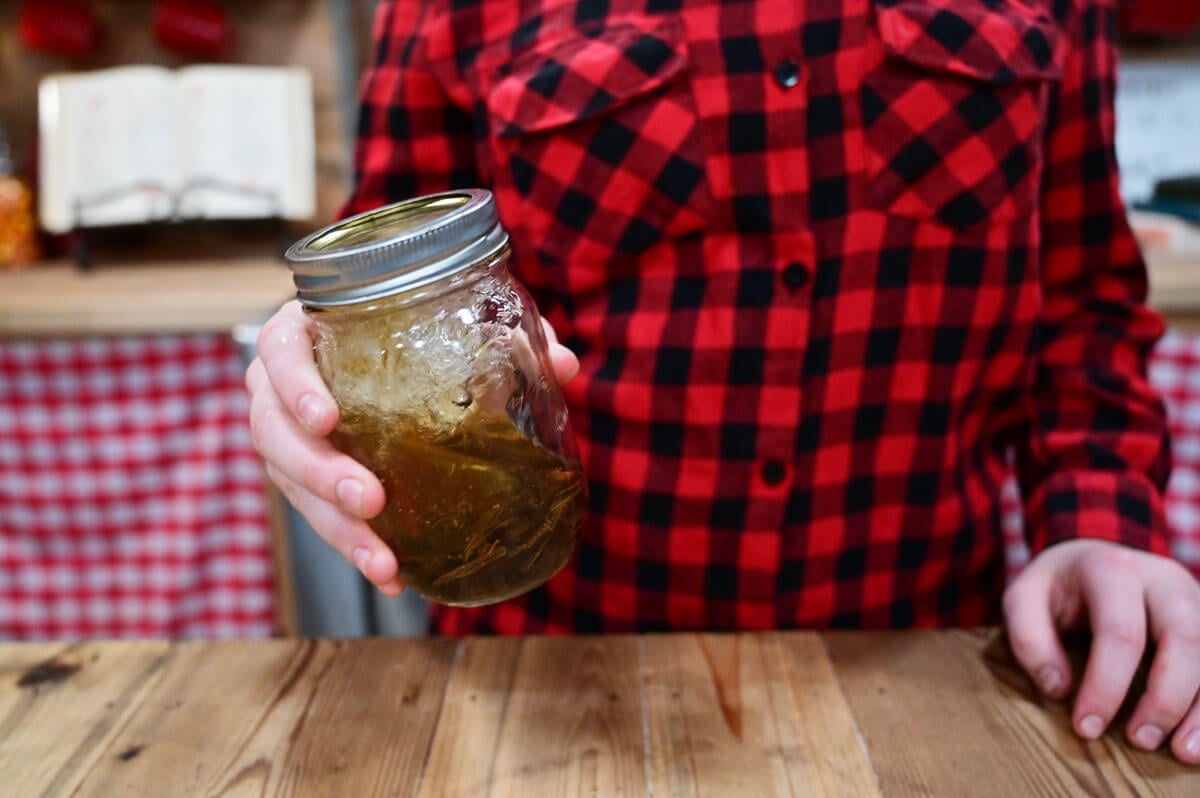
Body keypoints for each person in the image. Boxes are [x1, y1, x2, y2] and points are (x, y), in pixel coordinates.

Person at [245, 0, 1200, 763]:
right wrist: (307, 366)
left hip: (945, 684)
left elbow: (1080, 301)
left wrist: (1099, 523)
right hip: (563, 702)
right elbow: (378, 276)